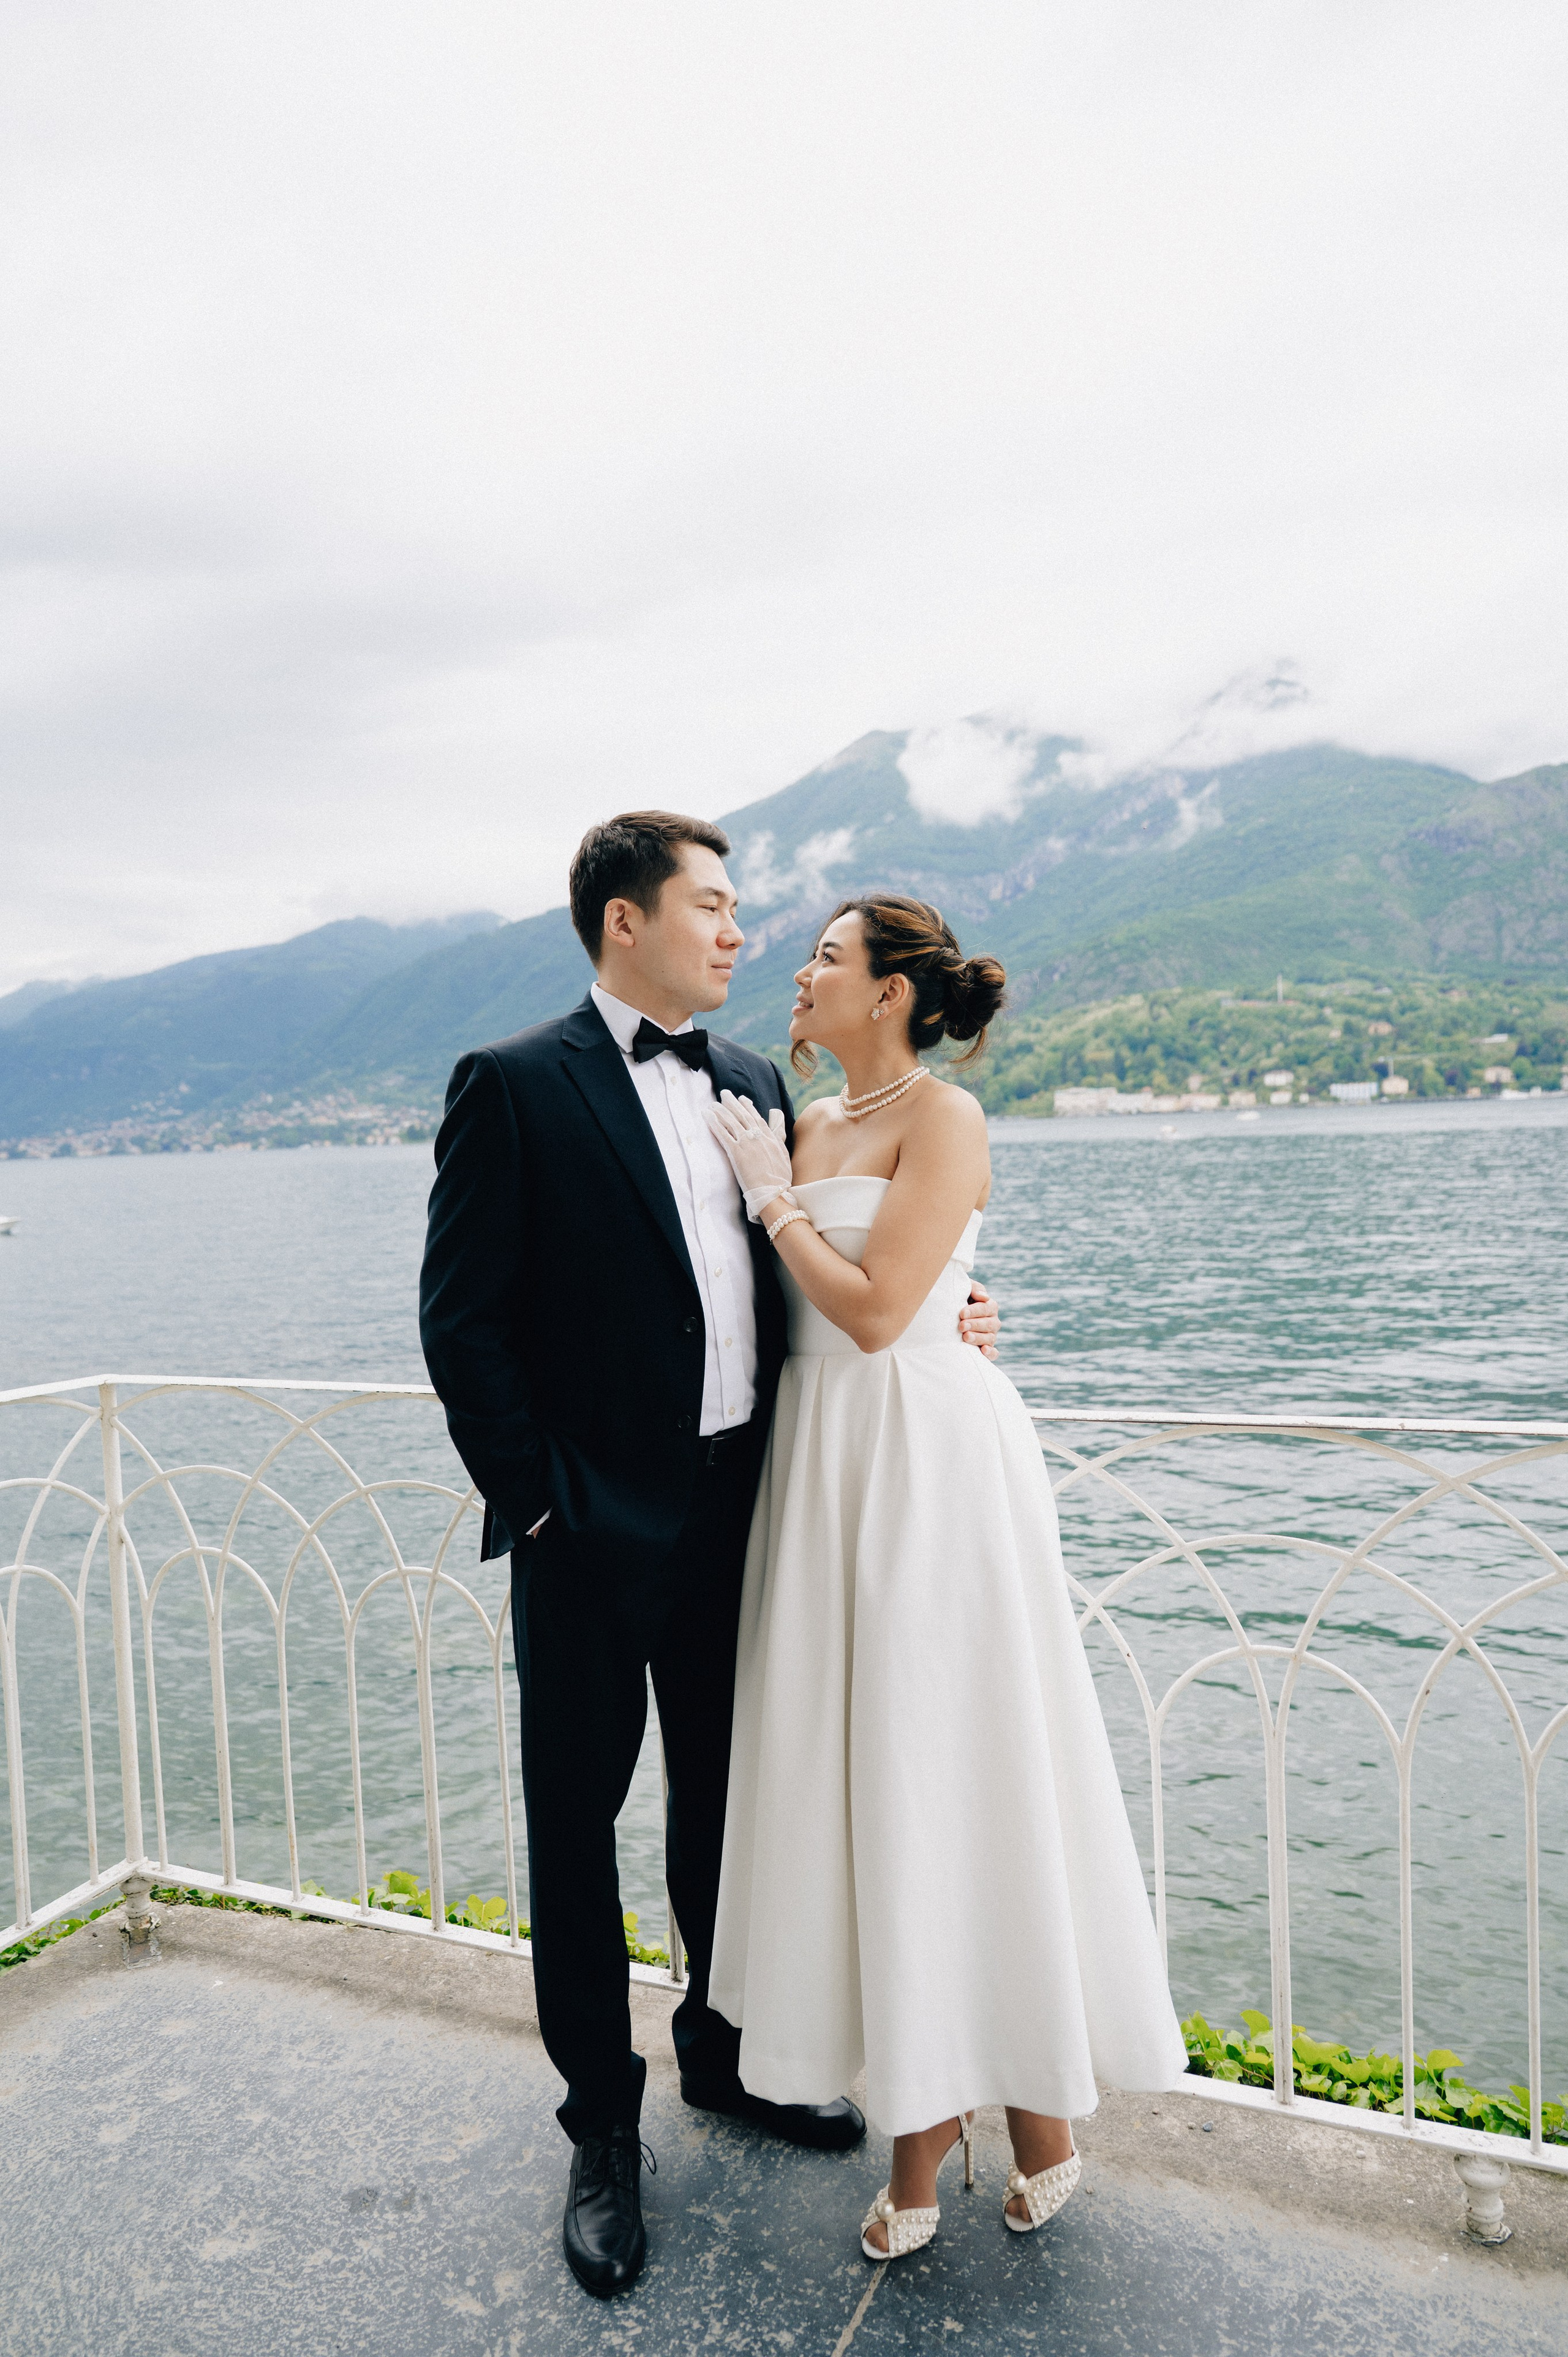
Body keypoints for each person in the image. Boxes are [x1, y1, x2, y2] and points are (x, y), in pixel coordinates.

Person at [418, 816, 1002, 2298]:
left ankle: (724, 2057)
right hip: (585, 1528)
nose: (740, 933)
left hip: (751, 1511)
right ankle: (601, 2133)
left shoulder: (752, 1081)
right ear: (625, 922)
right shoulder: (511, 1082)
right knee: (575, 1828)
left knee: (732, 1809)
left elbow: (823, 1277)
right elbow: (461, 1324)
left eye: (743, 912)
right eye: (713, 907)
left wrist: (956, 1311)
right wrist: (538, 1506)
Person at [704, 893, 1188, 2262]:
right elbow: (809, 1310)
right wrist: (788, 1191)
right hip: (819, 1469)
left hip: (928, 1464)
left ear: (890, 994)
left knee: (950, 1769)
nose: (799, 972)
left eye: (826, 956)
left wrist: (772, 1202)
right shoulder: (803, 1119)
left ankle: (984, 2123)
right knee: (861, 1782)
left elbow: (874, 1314)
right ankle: (972, 2119)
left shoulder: (946, 1117)